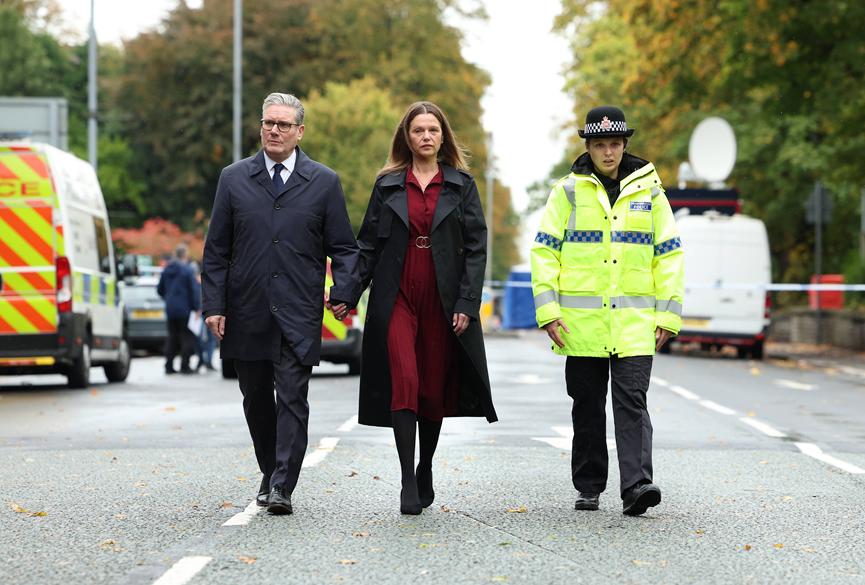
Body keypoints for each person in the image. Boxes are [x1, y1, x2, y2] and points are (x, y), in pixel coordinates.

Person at [201, 92, 360, 515]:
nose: (274, 130)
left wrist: (344, 292)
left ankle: (282, 485)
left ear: (299, 132)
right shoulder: (233, 179)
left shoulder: (323, 182)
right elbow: (216, 250)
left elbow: (344, 247)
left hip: (298, 310)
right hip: (247, 309)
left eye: (283, 125)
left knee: (292, 396)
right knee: (255, 398)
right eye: (268, 122)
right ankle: (270, 470)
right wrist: (214, 306)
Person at [530, 106, 684, 516]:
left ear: (624, 145)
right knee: (587, 404)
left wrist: (667, 315)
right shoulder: (566, 192)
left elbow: (668, 255)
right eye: (600, 145)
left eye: (614, 144)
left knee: (632, 402)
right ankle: (589, 484)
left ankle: (636, 485)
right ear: (589, 147)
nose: (608, 152)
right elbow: (545, 251)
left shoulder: (650, 193)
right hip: (580, 325)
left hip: (635, 323)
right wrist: (548, 311)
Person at [356, 101, 497, 515]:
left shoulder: (461, 185)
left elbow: (476, 247)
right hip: (397, 293)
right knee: (406, 379)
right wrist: (346, 294)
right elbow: (367, 245)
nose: (426, 137)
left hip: (443, 294)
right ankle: (406, 480)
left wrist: (467, 302)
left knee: (433, 387)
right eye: (418, 130)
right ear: (407, 136)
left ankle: (426, 466)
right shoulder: (386, 185)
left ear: (442, 137)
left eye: (432, 130)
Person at [157, 244, 200, 375]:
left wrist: (169, 298)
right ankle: (184, 366)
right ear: (185, 255)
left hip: (170, 309)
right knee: (186, 337)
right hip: (185, 309)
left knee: (172, 337)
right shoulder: (187, 270)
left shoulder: (166, 270)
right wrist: (197, 307)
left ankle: (168, 366)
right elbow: (194, 290)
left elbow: (160, 289)